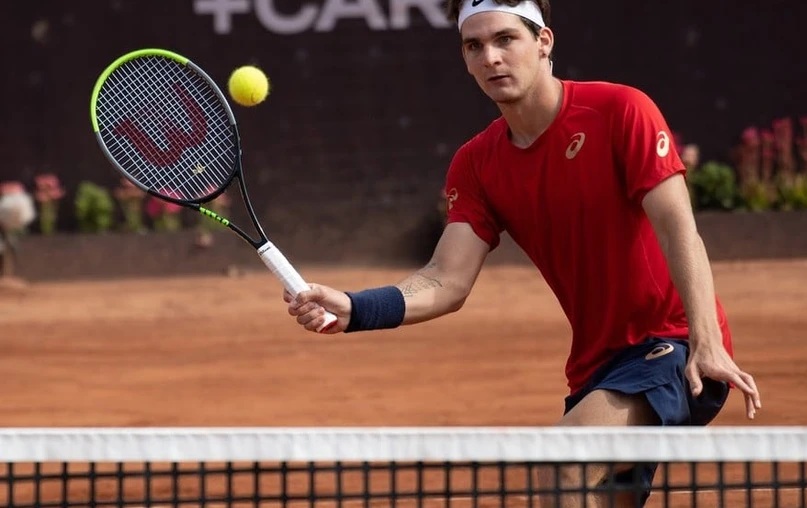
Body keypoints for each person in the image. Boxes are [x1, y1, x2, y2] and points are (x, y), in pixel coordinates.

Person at [284, 0, 761, 505]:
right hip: (597, 366)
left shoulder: (621, 111)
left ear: (543, 42)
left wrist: (707, 342)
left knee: (561, 463)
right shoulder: (476, 164)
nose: (490, 57)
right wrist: (357, 307)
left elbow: (679, 229)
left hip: (675, 344)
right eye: (474, 46)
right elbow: (446, 280)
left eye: (505, 39)